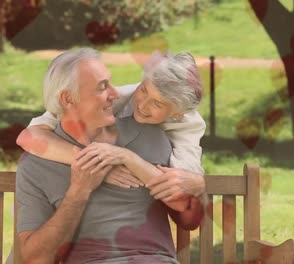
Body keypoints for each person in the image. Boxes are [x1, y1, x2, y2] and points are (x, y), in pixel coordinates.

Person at [15, 48, 204, 263]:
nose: (117, 94)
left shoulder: (158, 134)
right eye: (103, 87)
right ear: (68, 99)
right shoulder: (36, 163)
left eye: (111, 84)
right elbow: (36, 258)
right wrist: (82, 185)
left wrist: (196, 183)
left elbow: (187, 213)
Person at [17, 50, 206, 203]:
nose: (142, 105)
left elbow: (185, 181)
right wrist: (99, 165)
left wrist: (197, 182)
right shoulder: (116, 98)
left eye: (157, 104)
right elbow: (29, 137)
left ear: (177, 114)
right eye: (143, 90)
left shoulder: (188, 123)